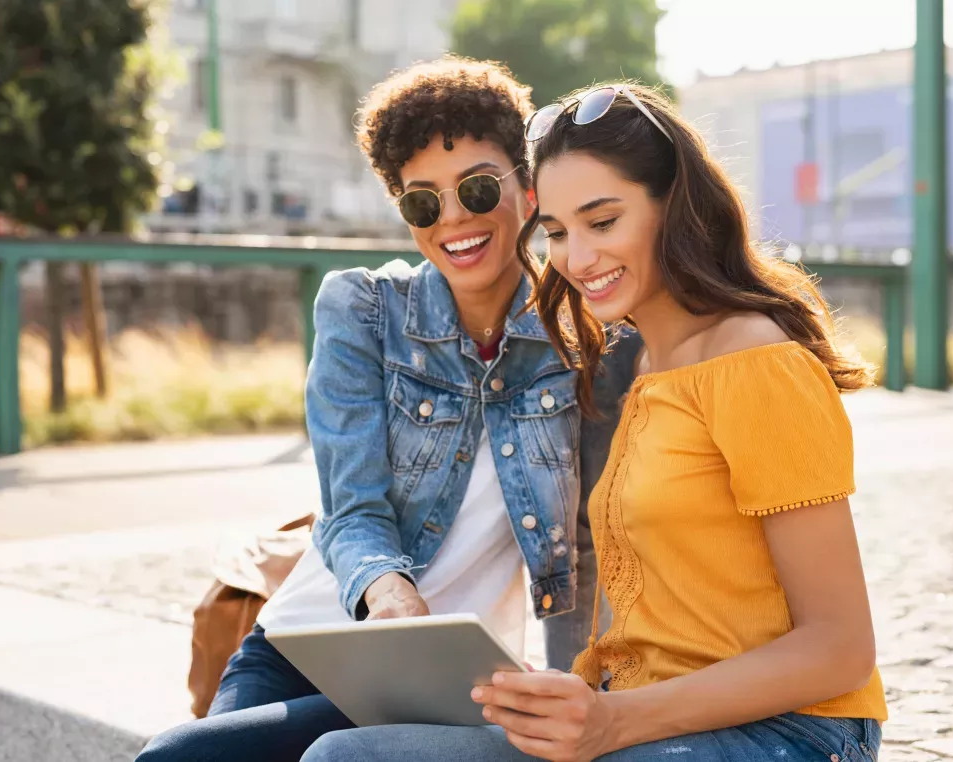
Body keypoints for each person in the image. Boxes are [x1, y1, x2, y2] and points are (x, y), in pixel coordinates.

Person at [301, 82, 887, 762]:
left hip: (789, 732)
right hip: (640, 715)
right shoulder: (631, 364)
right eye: (554, 232)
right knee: (350, 756)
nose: (576, 260)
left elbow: (840, 649)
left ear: (674, 208)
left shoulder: (753, 358)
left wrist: (615, 719)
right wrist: (574, 701)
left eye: (602, 222)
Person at [136, 58, 639, 762]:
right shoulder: (363, 309)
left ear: (527, 190)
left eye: (476, 187)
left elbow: (589, 542)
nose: (454, 218)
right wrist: (390, 597)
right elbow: (352, 507)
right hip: (310, 642)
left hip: (452, 679)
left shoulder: (591, 336)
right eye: (422, 201)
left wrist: (576, 689)